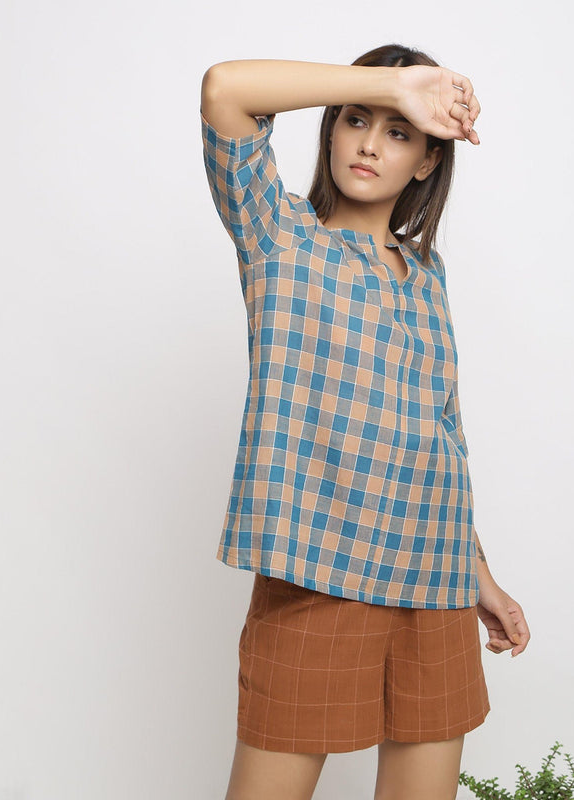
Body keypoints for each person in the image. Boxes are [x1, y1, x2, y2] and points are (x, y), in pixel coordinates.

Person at [200, 43, 530, 800]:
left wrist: (480, 577)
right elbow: (225, 90)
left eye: (400, 131)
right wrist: (398, 88)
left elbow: (440, 431)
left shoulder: (427, 278)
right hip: (321, 572)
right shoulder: (280, 239)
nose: (372, 141)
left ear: (425, 162)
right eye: (356, 120)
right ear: (332, 130)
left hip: (436, 580)